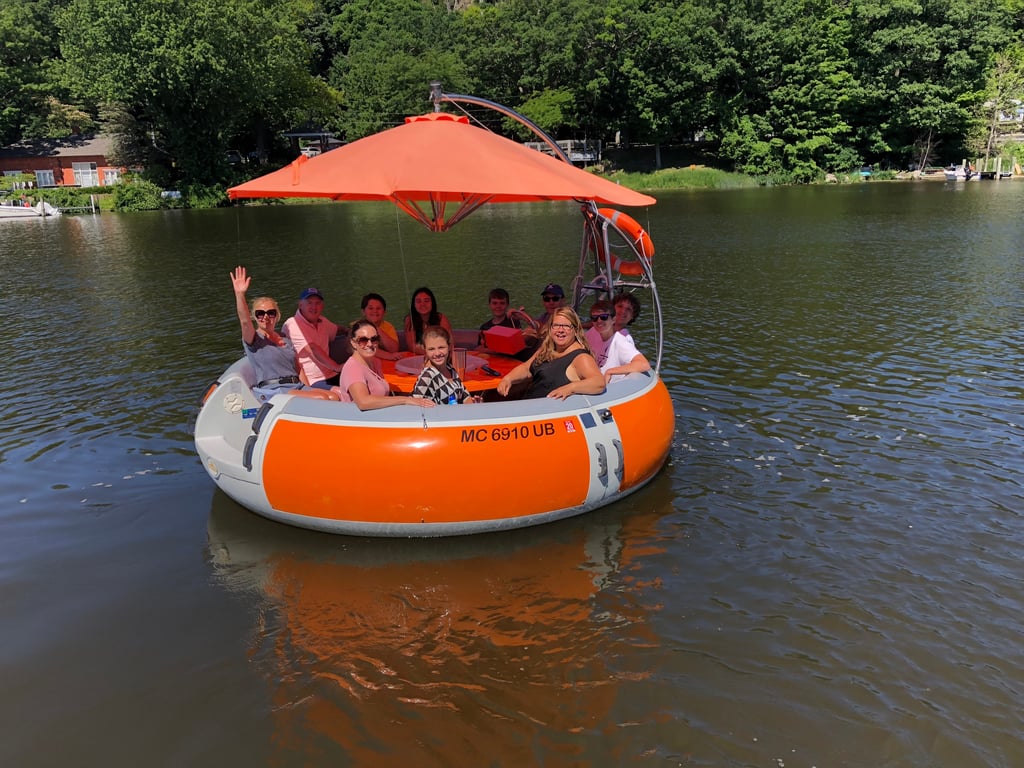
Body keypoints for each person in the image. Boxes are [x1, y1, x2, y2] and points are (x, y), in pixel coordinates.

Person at [229, 267, 337, 402]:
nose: (266, 317)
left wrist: (308, 388)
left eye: (271, 313)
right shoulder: (254, 340)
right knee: (321, 398)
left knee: (333, 396)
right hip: (274, 390)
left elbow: (299, 369)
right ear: (254, 317)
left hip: (296, 385)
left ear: (277, 315)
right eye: (260, 314)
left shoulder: (285, 339)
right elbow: (244, 322)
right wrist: (240, 295)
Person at [496, 307, 605, 400]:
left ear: (575, 330)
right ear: (550, 329)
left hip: (550, 414)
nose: (560, 330)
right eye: (556, 325)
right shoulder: (547, 349)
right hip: (529, 407)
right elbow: (526, 368)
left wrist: (571, 388)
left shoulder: (581, 357)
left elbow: (598, 382)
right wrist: (508, 379)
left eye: (566, 326)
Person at [334, 319, 435, 410]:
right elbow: (363, 402)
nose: (370, 344)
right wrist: (405, 400)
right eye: (363, 340)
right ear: (353, 343)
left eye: (374, 339)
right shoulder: (353, 368)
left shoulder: (375, 362)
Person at [282, 287, 343, 389]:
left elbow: (337, 329)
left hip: (331, 374)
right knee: (342, 393)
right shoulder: (292, 324)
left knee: (360, 384)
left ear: (322, 306)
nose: (314, 307)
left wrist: (351, 330)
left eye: (317, 303)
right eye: (309, 303)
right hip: (313, 380)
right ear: (300, 305)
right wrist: (337, 367)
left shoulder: (323, 321)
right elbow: (312, 349)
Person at [584, 299, 650, 383]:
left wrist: (610, 372)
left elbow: (644, 364)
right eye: (595, 318)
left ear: (613, 319)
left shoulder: (621, 342)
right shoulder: (593, 331)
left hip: (611, 388)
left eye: (604, 317)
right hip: (592, 381)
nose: (599, 321)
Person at [413, 326, 481, 405]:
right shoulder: (427, 376)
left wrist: (475, 405)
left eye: (441, 347)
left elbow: (465, 397)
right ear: (425, 350)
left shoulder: (450, 369)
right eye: (431, 349)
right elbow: (417, 408)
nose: (437, 353)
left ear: (449, 347)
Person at [404, 286, 453, 354]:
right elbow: (412, 346)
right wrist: (430, 353)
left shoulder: (441, 318)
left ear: (432, 303)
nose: (423, 304)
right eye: (418, 301)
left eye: (426, 301)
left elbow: (450, 343)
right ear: (414, 305)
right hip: (420, 357)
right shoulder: (409, 320)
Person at [359, 293, 401, 360]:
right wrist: (389, 356)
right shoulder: (358, 327)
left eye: (378, 308)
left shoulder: (388, 326)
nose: (375, 311)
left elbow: (394, 349)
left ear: (384, 312)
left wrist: (376, 328)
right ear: (363, 311)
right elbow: (367, 348)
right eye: (371, 308)